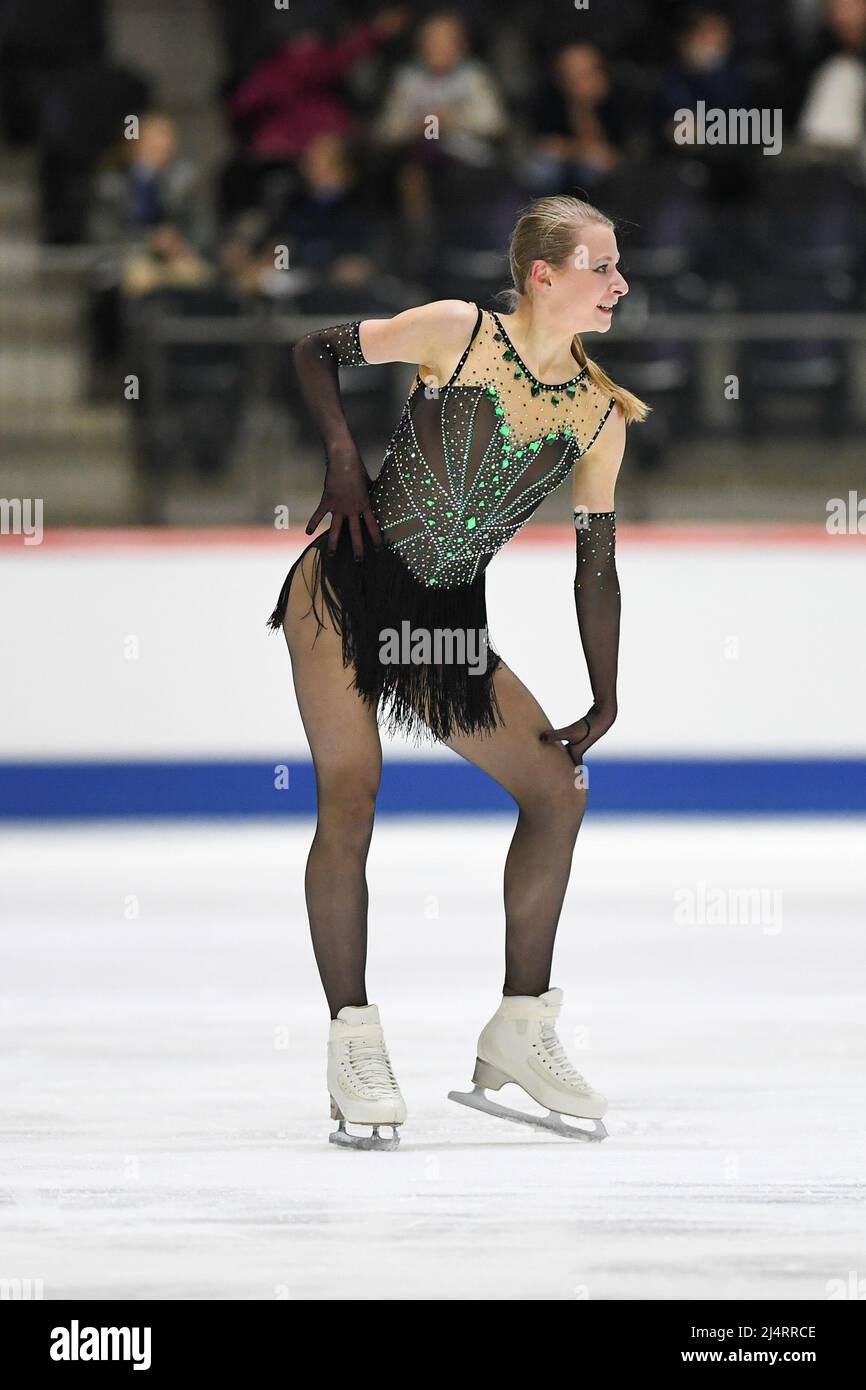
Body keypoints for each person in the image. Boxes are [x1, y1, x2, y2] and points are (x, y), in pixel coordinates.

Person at [269, 195, 650, 1149]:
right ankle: (353, 1040)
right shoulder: (458, 332)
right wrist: (344, 460)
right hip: (344, 586)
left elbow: (595, 566)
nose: (619, 283)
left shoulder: (600, 414)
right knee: (351, 793)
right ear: (543, 275)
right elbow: (315, 349)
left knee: (558, 790)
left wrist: (605, 691)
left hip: (439, 628)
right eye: (602, 266)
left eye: (617, 266)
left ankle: (521, 1026)